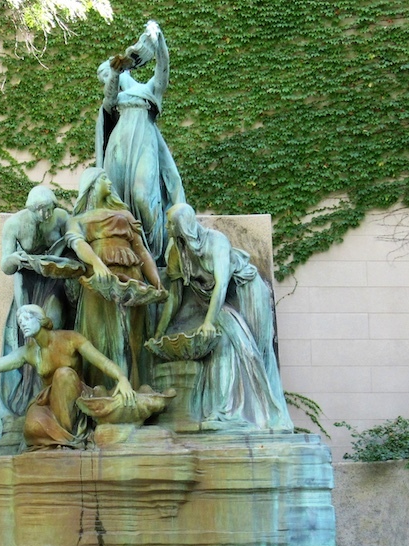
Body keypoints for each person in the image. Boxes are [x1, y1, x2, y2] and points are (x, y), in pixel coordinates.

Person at [153, 204, 292, 431]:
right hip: (211, 300)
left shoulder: (216, 241)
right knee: (225, 339)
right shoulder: (177, 252)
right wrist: (159, 331)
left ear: (182, 225)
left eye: (170, 222)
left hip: (244, 292)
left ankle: (262, 415)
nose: (167, 226)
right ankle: (226, 409)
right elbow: (174, 297)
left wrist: (208, 321)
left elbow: (221, 283)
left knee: (254, 349)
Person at [0, 305, 136, 450]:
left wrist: (122, 379)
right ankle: (60, 442)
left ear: (42, 320)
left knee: (63, 374)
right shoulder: (29, 352)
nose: (23, 325)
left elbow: (102, 361)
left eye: (27, 319)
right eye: (20, 322)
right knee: (30, 428)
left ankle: (70, 441)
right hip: (48, 402)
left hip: (75, 398)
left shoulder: (70, 339)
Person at [96, 20, 185, 263]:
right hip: (119, 144)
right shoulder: (114, 97)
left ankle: (154, 254)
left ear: (127, 71)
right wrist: (114, 73)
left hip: (144, 140)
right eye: (103, 77)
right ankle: (128, 251)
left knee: (142, 196)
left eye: (105, 73)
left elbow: (163, 68)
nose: (104, 79)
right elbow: (109, 98)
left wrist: (159, 40)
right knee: (117, 200)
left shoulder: (150, 90)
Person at [66, 168, 163, 389]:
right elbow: (77, 244)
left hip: (131, 278)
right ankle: (102, 388)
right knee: (99, 333)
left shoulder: (125, 216)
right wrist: (97, 263)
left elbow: (141, 250)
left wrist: (154, 278)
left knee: (132, 336)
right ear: (91, 185)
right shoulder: (77, 220)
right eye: (103, 178)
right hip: (99, 280)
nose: (109, 183)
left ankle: (134, 387)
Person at [0, 186, 73, 441]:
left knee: (51, 329)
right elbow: (5, 265)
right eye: (39, 210)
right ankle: (28, 400)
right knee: (18, 337)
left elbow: (74, 243)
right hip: (27, 284)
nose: (44, 214)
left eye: (48, 208)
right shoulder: (16, 224)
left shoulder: (60, 217)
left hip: (56, 281)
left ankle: (53, 396)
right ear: (31, 208)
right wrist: (17, 258)